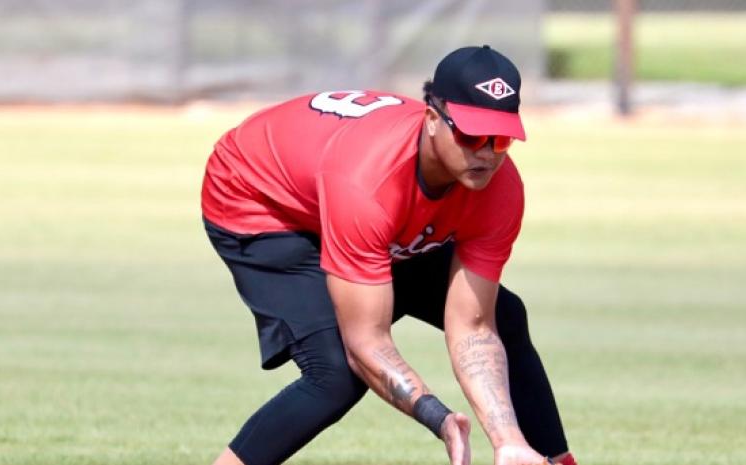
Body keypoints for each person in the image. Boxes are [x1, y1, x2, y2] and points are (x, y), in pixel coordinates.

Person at [201, 45, 577, 465]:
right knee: (336, 377)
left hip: (363, 203)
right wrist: (438, 418)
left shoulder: (500, 189)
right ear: (432, 118)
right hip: (260, 199)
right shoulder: (368, 181)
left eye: (501, 137)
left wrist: (507, 439)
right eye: (472, 135)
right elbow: (366, 341)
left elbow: (472, 326)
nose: (487, 153)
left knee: (504, 317)